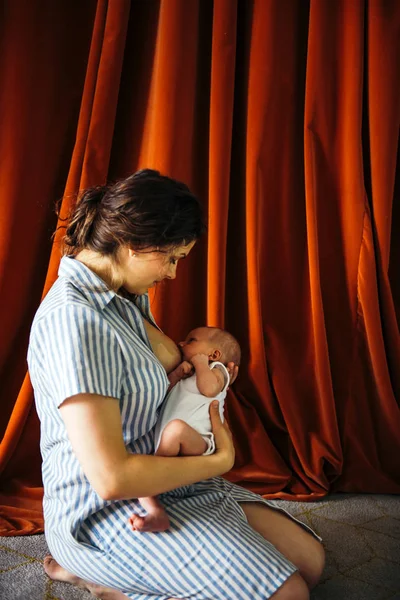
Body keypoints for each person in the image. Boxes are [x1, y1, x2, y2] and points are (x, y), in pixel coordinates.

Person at [28, 169, 324, 600]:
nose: (171, 273)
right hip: (107, 508)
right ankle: (103, 578)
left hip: (168, 480)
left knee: (309, 564)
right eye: (171, 258)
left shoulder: (126, 292)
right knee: (289, 594)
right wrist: (219, 461)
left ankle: (127, 584)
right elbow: (111, 480)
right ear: (134, 246)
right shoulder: (75, 321)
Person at [130, 326, 241, 533]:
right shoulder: (188, 376)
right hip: (174, 438)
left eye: (191, 340)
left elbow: (209, 389)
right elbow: (164, 393)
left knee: (176, 430)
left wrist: (201, 365)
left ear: (214, 354)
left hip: (200, 439)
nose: (181, 343)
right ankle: (155, 512)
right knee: (141, 486)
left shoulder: (218, 370)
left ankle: (155, 473)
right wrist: (177, 374)